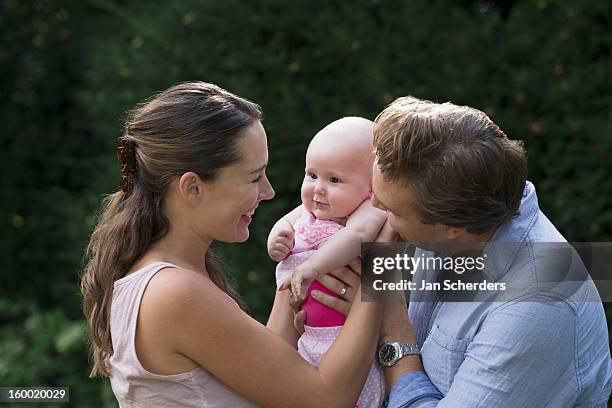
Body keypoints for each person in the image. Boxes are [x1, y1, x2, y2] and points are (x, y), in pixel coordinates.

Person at [80, 81, 384, 408]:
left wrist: (302, 260)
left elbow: (275, 375)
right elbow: (326, 400)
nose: (268, 192)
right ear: (193, 189)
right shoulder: (176, 293)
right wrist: (382, 272)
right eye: (254, 178)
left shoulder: (167, 278)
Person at [364, 96, 612, 407]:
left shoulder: (538, 304)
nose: (372, 206)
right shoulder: (455, 214)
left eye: (389, 208)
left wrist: (392, 329)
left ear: (452, 226)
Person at [267, 117, 388, 407]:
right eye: (311, 175)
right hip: (307, 334)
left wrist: (312, 267)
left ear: (371, 187)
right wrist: (277, 239)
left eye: (334, 180)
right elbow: (285, 222)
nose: (317, 189)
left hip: (347, 336)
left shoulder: (369, 211)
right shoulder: (311, 210)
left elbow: (358, 235)